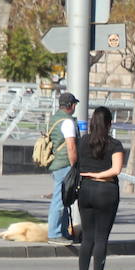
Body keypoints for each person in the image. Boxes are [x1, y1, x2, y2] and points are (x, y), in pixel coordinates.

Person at [74, 107, 125, 270]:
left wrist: (89, 174)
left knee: (87, 237)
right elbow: (116, 170)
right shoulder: (114, 144)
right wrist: (99, 174)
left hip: (86, 190)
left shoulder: (83, 142)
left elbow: (75, 161)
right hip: (107, 190)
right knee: (101, 237)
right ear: (109, 123)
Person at [45, 92, 79, 245]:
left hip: (57, 163)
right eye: (74, 104)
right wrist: (74, 166)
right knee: (60, 199)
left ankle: (63, 232)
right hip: (65, 164)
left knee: (63, 199)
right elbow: (71, 146)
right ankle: (55, 233)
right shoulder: (68, 122)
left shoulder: (54, 118)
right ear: (71, 105)